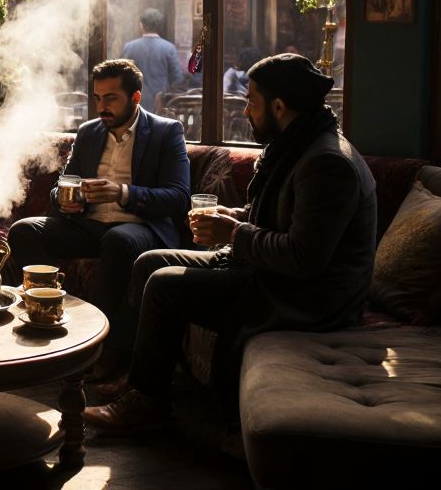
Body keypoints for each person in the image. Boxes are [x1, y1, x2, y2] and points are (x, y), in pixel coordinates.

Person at [84, 54, 376, 437]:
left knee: (164, 285)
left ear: (279, 106)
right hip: (268, 269)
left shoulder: (326, 163)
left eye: (251, 102)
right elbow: (277, 218)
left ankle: (148, 401)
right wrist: (237, 215)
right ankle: (143, 377)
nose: (246, 110)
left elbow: (303, 258)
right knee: (148, 261)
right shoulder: (296, 145)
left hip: (306, 295)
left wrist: (232, 233)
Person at [8, 59, 189, 379]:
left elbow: (178, 198)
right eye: (97, 98)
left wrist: (121, 193)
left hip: (140, 226)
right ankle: (45, 315)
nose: (101, 107)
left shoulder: (166, 132)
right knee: (24, 230)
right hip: (89, 224)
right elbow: (61, 189)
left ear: (135, 97)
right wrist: (69, 201)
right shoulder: (89, 133)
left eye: (111, 98)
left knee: (118, 239)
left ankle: (103, 347)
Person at [120, 8, 188, 110]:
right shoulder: (169, 48)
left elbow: (121, 77)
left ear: (141, 25)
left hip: (133, 106)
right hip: (160, 108)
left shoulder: (129, 47)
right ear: (160, 27)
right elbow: (177, 80)